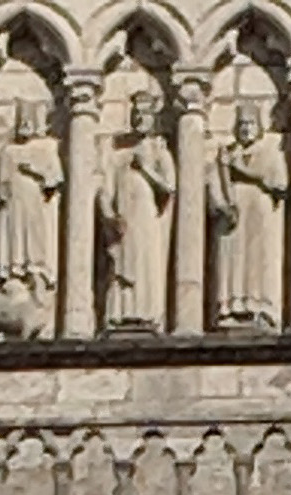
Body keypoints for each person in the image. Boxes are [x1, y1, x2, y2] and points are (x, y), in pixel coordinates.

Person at [0, 97, 63, 337]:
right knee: (13, 241)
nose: (25, 126)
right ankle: (14, 277)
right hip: (12, 207)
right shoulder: (7, 152)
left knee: (36, 241)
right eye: (22, 121)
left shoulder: (45, 150)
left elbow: (54, 181)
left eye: (29, 121)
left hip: (35, 204)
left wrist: (34, 171)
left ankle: (36, 279)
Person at [99, 88, 173, 331]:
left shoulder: (159, 151)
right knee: (121, 264)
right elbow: (106, 190)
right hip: (125, 217)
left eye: (146, 114)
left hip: (146, 217)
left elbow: (168, 187)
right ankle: (121, 315)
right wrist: (108, 214)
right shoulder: (119, 154)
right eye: (136, 114)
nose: (141, 119)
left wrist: (146, 170)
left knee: (144, 262)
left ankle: (146, 315)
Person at [209, 98, 286, 329]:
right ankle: (230, 307)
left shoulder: (269, 154)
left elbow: (279, 184)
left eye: (251, 123)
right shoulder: (226, 157)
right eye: (242, 123)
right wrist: (221, 205)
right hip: (232, 217)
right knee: (232, 257)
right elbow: (214, 184)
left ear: (259, 127)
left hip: (259, 214)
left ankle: (259, 306)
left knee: (257, 257)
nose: (246, 128)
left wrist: (240, 170)